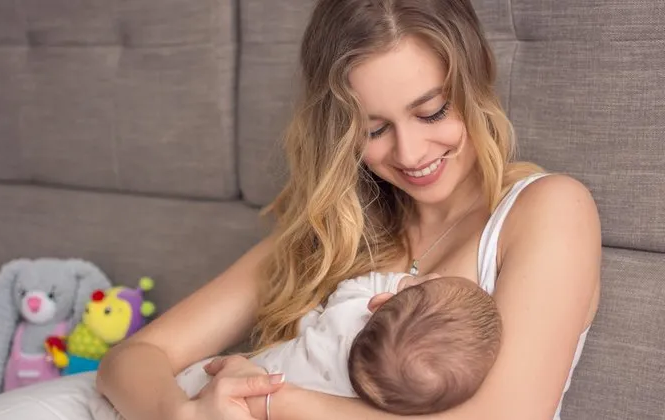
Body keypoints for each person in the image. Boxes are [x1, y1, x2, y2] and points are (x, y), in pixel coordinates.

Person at [96, 0, 602, 419]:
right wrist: (181, 413)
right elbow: (133, 358)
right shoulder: (335, 232)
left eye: (432, 112)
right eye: (373, 129)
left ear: (476, 81)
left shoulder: (547, 209)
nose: (410, 154)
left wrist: (275, 403)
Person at [173, 273, 501, 416]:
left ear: (379, 302)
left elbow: (352, 288)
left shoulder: (348, 314)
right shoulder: (376, 403)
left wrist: (402, 281)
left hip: (205, 382)